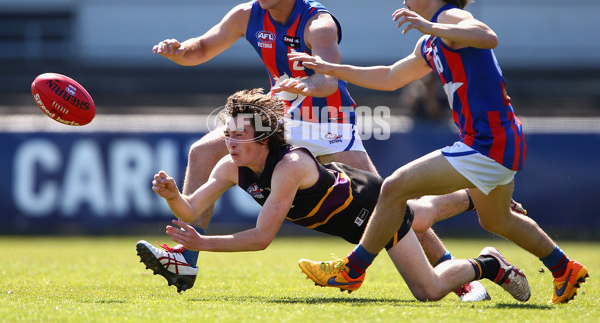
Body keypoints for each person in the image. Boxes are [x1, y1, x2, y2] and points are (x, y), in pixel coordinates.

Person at [148, 0, 490, 300]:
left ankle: (461, 275)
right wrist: (178, 50)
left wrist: (306, 85)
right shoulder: (246, 15)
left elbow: (329, 79)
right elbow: (200, 49)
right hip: (281, 119)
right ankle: (186, 258)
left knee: (386, 206)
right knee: (202, 153)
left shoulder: (318, 23)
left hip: (329, 124)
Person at [284, 0, 588, 304]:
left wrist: (433, 25)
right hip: (497, 141)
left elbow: (488, 36)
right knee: (497, 220)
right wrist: (329, 69)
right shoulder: (430, 41)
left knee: (394, 186)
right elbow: (389, 77)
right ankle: (563, 267)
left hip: (488, 142)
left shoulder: (452, 19)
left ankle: (351, 270)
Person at [136, 88, 531, 302]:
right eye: (228, 133)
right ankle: (472, 195)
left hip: (373, 207)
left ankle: (487, 264)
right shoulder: (229, 166)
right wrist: (172, 196)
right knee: (421, 214)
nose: (229, 141)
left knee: (427, 289)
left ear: (263, 136)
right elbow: (192, 207)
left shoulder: (289, 166)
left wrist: (201, 242)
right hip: (354, 215)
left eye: (238, 134)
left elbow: (261, 238)